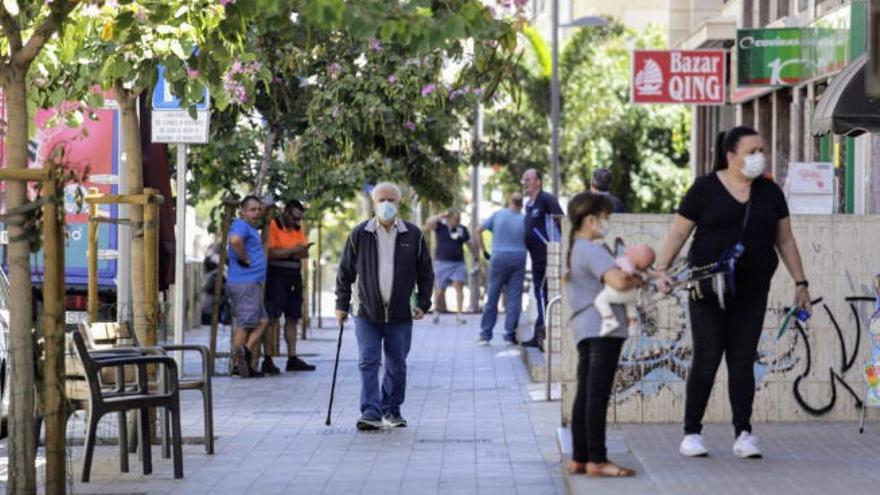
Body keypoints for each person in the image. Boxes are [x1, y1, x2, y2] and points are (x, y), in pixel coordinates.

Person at [654, 126, 811, 459]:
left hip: (752, 291)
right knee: (707, 359)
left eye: (761, 150)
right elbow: (679, 233)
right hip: (708, 292)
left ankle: (743, 432)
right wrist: (662, 269)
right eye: (752, 151)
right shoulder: (704, 189)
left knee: (742, 362)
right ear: (731, 156)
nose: (759, 157)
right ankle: (692, 432)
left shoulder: (770, 193)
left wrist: (801, 283)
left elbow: (785, 240)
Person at [335, 182, 434, 431]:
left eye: (391, 199)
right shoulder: (359, 234)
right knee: (368, 361)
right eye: (381, 200)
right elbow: (344, 272)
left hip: (401, 314)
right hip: (366, 313)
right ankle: (370, 411)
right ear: (373, 203)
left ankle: (391, 409)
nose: (386, 204)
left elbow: (426, 273)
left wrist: (423, 303)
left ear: (398, 203)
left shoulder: (413, 235)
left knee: (396, 363)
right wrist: (341, 305)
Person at [565, 192, 640, 478]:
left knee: (586, 392)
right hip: (602, 329)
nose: (608, 223)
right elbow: (619, 281)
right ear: (590, 219)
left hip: (587, 327)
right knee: (596, 394)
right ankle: (597, 459)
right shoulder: (591, 248)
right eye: (606, 217)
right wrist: (639, 278)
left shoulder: (577, 247)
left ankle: (580, 458)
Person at [264, 199, 316, 374]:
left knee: (293, 318)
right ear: (285, 212)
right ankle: (268, 358)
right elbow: (270, 253)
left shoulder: (298, 229)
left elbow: (304, 253)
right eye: (294, 218)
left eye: (300, 219)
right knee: (272, 318)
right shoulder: (272, 226)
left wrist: (291, 251)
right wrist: (293, 250)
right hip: (276, 276)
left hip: (294, 276)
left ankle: (292, 357)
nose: (297, 223)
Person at [475, 193, 527, 346]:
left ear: (510, 201)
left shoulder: (498, 215)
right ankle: (509, 335)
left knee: (492, 296)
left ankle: (485, 335)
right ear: (522, 204)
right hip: (519, 257)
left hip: (498, 258)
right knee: (514, 298)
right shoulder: (525, 219)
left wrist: (484, 251)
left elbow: (478, 230)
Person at [520, 169, 563, 350]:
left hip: (548, 257)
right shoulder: (529, 204)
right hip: (535, 258)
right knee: (539, 295)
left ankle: (545, 335)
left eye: (528, 179)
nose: (524, 183)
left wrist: (561, 247)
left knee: (547, 295)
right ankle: (539, 331)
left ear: (538, 181)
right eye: (523, 180)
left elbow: (561, 220)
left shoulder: (547, 200)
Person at [227, 195, 269, 378]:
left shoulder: (249, 227)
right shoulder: (241, 225)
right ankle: (239, 364)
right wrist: (244, 258)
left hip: (251, 283)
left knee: (262, 321)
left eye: (259, 209)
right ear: (242, 211)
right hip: (245, 283)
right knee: (245, 324)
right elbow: (235, 240)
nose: (257, 212)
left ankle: (244, 352)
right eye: (252, 209)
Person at [425, 208, 471, 324]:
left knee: (459, 287)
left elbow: (469, 243)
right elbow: (428, 222)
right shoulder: (441, 227)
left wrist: (475, 257)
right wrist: (442, 214)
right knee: (440, 290)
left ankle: (459, 314)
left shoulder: (462, 229)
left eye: (458, 218)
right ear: (449, 218)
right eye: (455, 218)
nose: (457, 220)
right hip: (442, 263)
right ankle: (436, 310)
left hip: (458, 263)